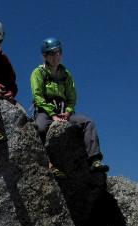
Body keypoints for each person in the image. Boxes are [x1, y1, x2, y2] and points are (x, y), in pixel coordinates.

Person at [29, 37, 107, 172]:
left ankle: (94, 160)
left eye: (58, 52)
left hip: (64, 111)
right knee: (40, 128)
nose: (56, 57)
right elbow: (38, 97)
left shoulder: (66, 75)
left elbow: (72, 98)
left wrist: (68, 112)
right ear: (44, 56)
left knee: (87, 122)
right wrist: (53, 115)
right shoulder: (38, 73)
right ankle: (48, 163)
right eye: (52, 53)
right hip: (46, 111)